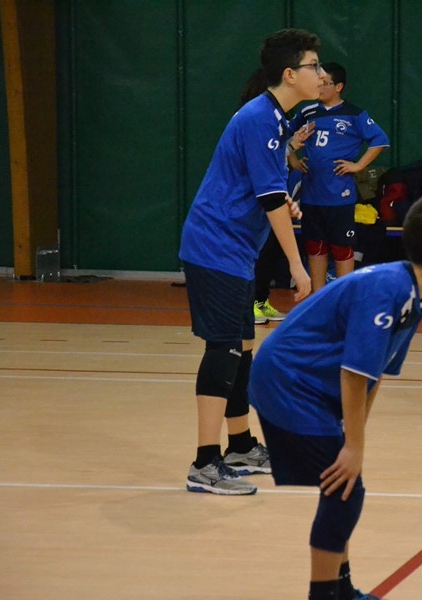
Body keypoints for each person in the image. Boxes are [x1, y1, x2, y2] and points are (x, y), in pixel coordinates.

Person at [248, 194, 422, 600]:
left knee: (343, 486)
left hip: (308, 385)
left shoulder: (414, 297)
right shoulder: (389, 288)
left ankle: (341, 590)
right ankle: (325, 594)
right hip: (288, 382)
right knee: (346, 489)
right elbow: (354, 373)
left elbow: (374, 375)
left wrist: (352, 436)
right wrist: (353, 447)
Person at [179, 28, 323, 495]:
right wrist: (297, 266)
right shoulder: (261, 118)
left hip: (236, 251)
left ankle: (240, 446)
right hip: (215, 247)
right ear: (289, 74)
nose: (321, 74)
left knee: (241, 349)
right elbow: (269, 199)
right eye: (314, 66)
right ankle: (205, 463)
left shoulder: (275, 120)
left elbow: (267, 191)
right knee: (223, 349)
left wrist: (285, 202)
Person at [289, 62, 389, 293]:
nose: (320, 87)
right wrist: (293, 159)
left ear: (339, 87)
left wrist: (358, 165)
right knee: (315, 246)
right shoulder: (308, 111)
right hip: (311, 194)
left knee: (342, 247)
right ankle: (318, 298)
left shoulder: (354, 114)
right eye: (318, 82)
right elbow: (285, 133)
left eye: (326, 83)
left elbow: (380, 140)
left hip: (339, 195)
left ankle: (343, 298)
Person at [239, 68, 316, 325]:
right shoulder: (255, 120)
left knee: (271, 251)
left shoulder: (276, 122)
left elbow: (274, 158)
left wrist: (292, 144)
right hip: (256, 205)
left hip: (272, 201)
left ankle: (260, 300)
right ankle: (250, 304)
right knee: (259, 254)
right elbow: (260, 163)